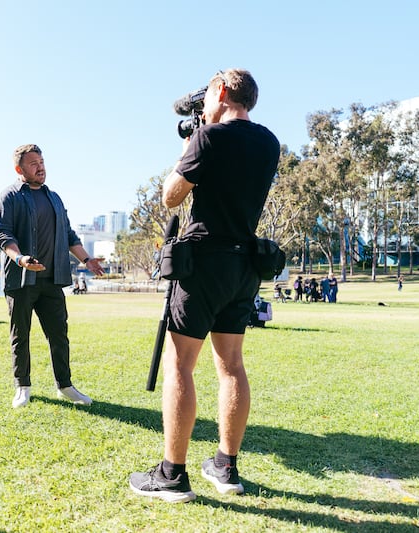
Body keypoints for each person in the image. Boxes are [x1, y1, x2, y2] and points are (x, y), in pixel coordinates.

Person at [129, 69, 279, 503]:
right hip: (244, 264)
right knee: (231, 365)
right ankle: (225, 467)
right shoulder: (269, 142)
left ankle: (172, 474)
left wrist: (189, 143)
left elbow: (171, 195)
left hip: (204, 263)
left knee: (180, 365)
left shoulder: (208, 139)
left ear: (220, 91)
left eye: (208, 96)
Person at [0, 144, 105, 408]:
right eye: (33, 163)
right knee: (20, 334)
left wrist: (87, 260)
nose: (40, 167)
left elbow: (68, 235)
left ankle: (65, 386)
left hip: (51, 279)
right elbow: (3, 234)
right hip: (20, 279)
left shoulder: (54, 198)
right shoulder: (8, 197)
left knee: (59, 334)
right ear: (19, 169)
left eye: (42, 161)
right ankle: (22, 387)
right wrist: (20, 259)